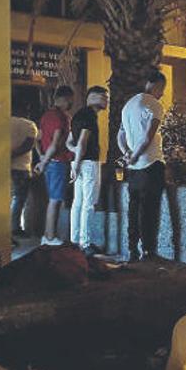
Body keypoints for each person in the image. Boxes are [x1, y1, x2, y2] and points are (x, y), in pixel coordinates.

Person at [118, 70, 167, 262]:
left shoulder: (128, 106)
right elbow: (148, 136)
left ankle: (132, 250)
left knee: (134, 208)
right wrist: (136, 155)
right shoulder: (154, 105)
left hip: (134, 170)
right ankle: (148, 251)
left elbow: (120, 136)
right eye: (162, 88)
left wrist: (127, 153)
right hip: (151, 163)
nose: (162, 93)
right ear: (155, 85)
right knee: (150, 211)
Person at [67, 86, 109, 256]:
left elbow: (69, 142)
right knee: (89, 204)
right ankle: (85, 244)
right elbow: (83, 142)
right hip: (88, 162)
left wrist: (76, 161)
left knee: (77, 202)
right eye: (103, 97)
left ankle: (74, 241)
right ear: (91, 97)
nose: (106, 100)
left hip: (78, 162)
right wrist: (78, 162)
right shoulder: (90, 116)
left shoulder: (77, 115)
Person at [35, 85, 75, 246]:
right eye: (71, 100)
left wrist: (42, 158)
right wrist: (44, 161)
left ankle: (48, 235)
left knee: (53, 199)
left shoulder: (46, 116)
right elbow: (56, 142)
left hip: (50, 162)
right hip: (58, 162)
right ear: (66, 99)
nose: (71, 103)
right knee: (55, 200)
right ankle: (50, 237)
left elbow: (37, 138)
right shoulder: (61, 117)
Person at [10, 98, 38, 240]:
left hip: (3, 167)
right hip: (21, 167)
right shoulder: (29, 125)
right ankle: (14, 227)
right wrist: (13, 155)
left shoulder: (3, 123)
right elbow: (28, 145)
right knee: (19, 198)